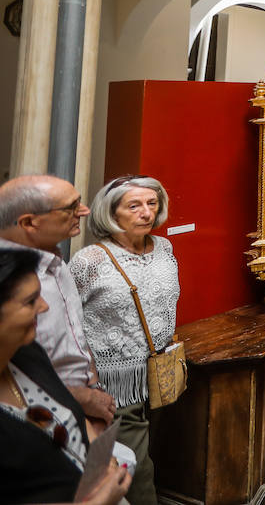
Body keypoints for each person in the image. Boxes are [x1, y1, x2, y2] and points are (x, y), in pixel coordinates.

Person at [70, 176, 182, 505]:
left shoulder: (165, 247)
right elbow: (68, 319)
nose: (145, 212)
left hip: (160, 373)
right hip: (115, 383)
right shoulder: (90, 261)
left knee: (153, 453)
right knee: (135, 469)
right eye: (134, 206)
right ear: (111, 212)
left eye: (152, 203)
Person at [1, 248, 131, 505]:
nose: (44, 306)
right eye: (30, 302)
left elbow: (69, 413)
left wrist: (101, 455)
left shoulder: (27, 354)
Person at [0, 176, 115, 429]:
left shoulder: (55, 260)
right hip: (38, 418)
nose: (84, 212)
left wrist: (93, 390)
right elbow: (14, 374)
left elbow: (75, 335)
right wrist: (84, 399)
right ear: (29, 222)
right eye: (71, 208)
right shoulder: (8, 282)